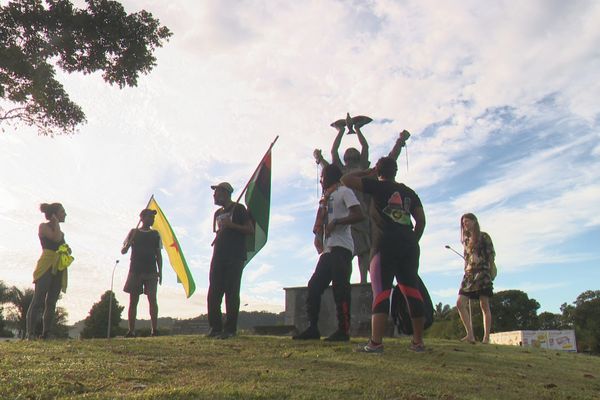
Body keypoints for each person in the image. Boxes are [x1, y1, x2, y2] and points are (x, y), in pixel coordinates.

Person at [342, 156, 426, 353]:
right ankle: (418, 342)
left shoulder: (377, 187)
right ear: (395, 171)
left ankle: (376, 342)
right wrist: (413, 240)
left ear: (378, 172)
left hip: (384, 245)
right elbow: (421, 220)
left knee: (381, 293)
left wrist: (365, 172)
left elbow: (345, 180)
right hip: (409, 245)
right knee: (412, 291)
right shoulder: (409, 192)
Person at [314, 127, 410, 283]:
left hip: (362, 215)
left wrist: (357, 129)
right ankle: (344, 279)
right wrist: (340, 132)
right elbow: (333, 153)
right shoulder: (341, 171)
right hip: (343, 215)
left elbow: (378, 153)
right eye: (349, 155)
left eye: (353, 155)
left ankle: (364, 280)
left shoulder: (365, 171)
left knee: (363, 251)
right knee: (345, 252)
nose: (351, 157)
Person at [293, 164, 364, 341]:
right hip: (328, 249)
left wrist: (338, 222)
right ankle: (313, 328)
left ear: (331, 176)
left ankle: (343, 330)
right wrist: (319, 235)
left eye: (323, 176)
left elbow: (359, 215)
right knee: (314, 286)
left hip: (342, 247)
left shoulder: (344, 191)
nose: (320, 179)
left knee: (341, 288)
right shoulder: (326, 199)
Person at [208, 182, 254, 339]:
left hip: (234, 255)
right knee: (214, 292)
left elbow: (249, 230)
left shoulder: (239, 209)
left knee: (231, 292)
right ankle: (215, 328)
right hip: (218, 255)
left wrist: (231, 225)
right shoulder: (217, 213)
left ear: (225, 193)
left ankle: (230, 329)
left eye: (217, 192)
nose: (214, 195)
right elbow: (219, 232)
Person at [26, 203, 73, 339]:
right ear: (54, 214)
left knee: (51, 301)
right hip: (46, 265)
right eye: (62, 211)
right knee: (38, 299)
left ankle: (46, 332)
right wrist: (55, 222)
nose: (65, 214)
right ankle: (31, 333)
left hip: (58, 268)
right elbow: (56, 238)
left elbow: (62, 245)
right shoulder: (43, 227)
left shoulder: (60, 231)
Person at [121, 208, 163, 337]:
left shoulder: (155, 234)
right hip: (135, 271)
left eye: (153, 217)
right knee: (133, 301)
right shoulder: (133, 232)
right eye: (150, 217)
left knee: (152, 300)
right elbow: (123, 251)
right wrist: (127, 245)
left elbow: (158, 254)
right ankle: (131, 330)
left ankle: (154, 330)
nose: (152, 219)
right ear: (142, 218)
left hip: (151, 272)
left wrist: (160, 271)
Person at [456, 213, 495, 344]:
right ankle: (470, 335)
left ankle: (486, 337)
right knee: (460, 303)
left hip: (482, 273)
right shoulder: (466, 240)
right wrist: (465, 268)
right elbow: (466, 257)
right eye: (463, 223)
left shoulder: (484, 236)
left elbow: (491, 254)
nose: (465, 224)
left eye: (467, 221)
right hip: (469, 275)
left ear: (474, 222)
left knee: (484, 304)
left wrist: (492, 268)